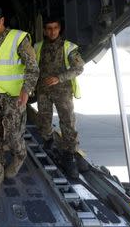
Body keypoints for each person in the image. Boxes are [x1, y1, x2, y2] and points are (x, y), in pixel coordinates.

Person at [0, 6, 39, 195]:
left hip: (13, 96)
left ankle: (19, 156)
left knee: (13, 135)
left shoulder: (19, 38)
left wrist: (26, 89)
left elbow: (32, 67)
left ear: (2, 20)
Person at [34, 17, 84, 178]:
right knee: (44, 119)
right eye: (49, 28)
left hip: (62, 91)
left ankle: (70, 154)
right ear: (44, 30)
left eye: (55, 27)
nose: (52, 31)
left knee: (67, 122)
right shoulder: (38, 47)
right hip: (43, 91)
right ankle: (48, 143)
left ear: (59, 28)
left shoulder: (68, 47)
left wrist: (59, 78)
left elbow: (78, 68)